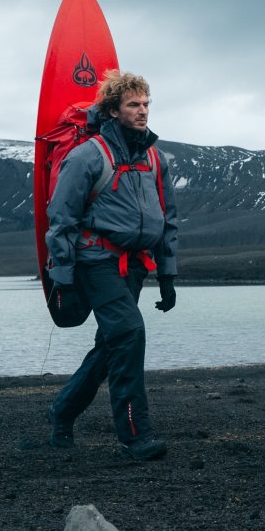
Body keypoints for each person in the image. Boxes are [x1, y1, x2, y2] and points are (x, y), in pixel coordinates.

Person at [43, 70, 179, 460]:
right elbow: (62, 219)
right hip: (95, 261)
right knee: (130, 335)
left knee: (111, 346)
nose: (142, 112)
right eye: (133, 105)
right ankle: (135, 436)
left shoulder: (155, 157)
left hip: (135, 265)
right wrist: (63, 279)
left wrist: (167, 275)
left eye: (146, 104)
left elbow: (169, 217)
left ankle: (62, 411)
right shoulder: (87, 156)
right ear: (113, 110)